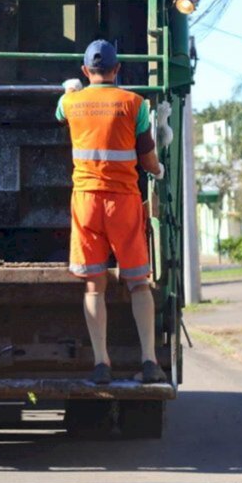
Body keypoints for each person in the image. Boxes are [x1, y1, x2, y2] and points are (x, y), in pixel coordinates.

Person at [56, 39, 167, 385]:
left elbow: (60, 110)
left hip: (87, 203)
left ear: (86, 70)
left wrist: (70, 89)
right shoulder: (134, 103)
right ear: (118, 70)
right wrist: (158, 170)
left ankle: (101, 364)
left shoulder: (71, 103)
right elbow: (147, 156)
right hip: (123, 202)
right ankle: (149, 360)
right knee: (138, 283)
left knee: (93, 285)